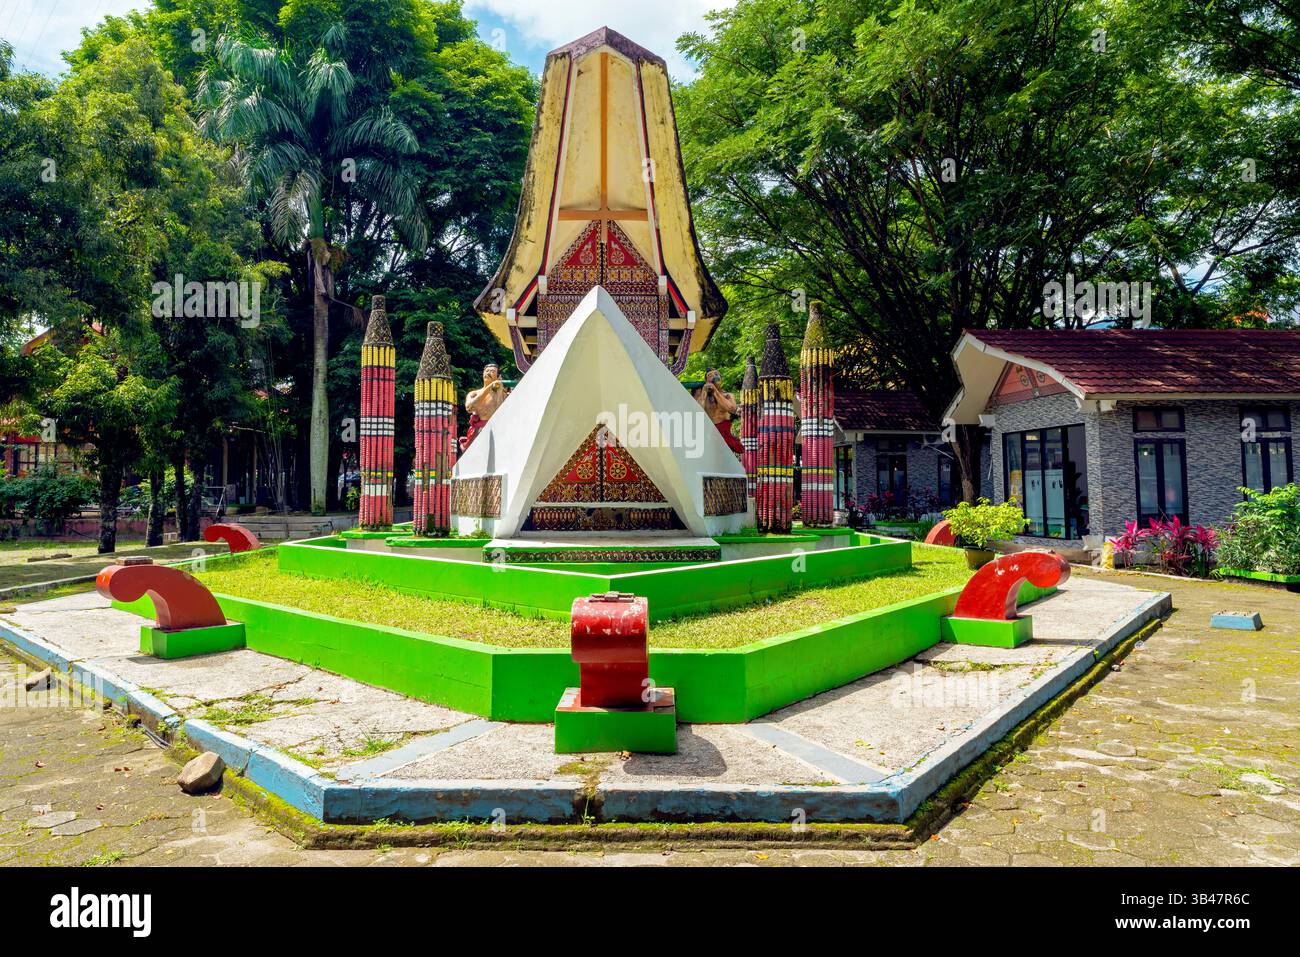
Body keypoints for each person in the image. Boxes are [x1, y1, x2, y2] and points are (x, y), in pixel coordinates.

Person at [460, 364, 509, 452]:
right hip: (479, 430)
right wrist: (489, 387)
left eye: (492, 371)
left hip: (498, 428)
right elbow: (470, 407)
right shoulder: (474, 393)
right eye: (486, 371)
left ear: (498, 376)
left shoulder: (499, 391)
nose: (488, 373)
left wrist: (496, 386)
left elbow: (498, 395)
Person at [694, 368, 744, 455]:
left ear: (721, 378)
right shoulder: (702, 395)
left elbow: (731, 408)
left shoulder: (728, 395)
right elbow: (696, 412)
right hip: (708, 436)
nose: (714, 376)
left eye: (716, 374)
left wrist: (715, 391)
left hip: (724, 437)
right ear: (706, 381)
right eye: (710, 375)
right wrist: (704, 393)